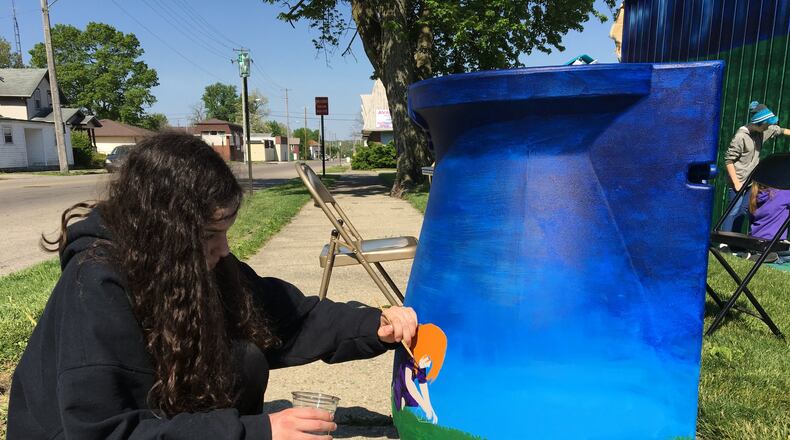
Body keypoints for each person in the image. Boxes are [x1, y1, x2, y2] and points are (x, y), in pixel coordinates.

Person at [7, 131, 419, 440]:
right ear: (163, 232)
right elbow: (103, 431)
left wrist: (371, 326)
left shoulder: (189, 262)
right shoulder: (95, 284)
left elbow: (289, 317)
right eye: (208, 235)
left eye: (225, 231)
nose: (223, 249)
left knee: (245, 358)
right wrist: (258, 433)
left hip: (151, 420)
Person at [721, 101, 790, 233]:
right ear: (759, 123)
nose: (768, 127)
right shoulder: (741, 137)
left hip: (750, 180)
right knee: (733, 210)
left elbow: (780, 130)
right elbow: (729, 160)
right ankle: (724, 243)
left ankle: (735, 242)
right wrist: (736, 183)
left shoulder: (762, 131)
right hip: (738, 180)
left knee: (743, 210)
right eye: (766, 125)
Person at [392, 323, 446, 425]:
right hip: (401, 387)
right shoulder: (410, 358)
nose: (429, 363)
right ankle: (401, 416)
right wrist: (424, 407)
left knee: (415, 404)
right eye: (429, 358)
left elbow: (422, 383)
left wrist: (430, 408)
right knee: (407, 404)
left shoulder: (421, 362)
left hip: (409, 390)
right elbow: (409, 383)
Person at [747, 184, 790, 264]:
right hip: (774, 243)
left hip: (754, 241)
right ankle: (775, 258)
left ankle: (762, 255)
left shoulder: (755, 194)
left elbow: (751, 219)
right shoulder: (784, 193)